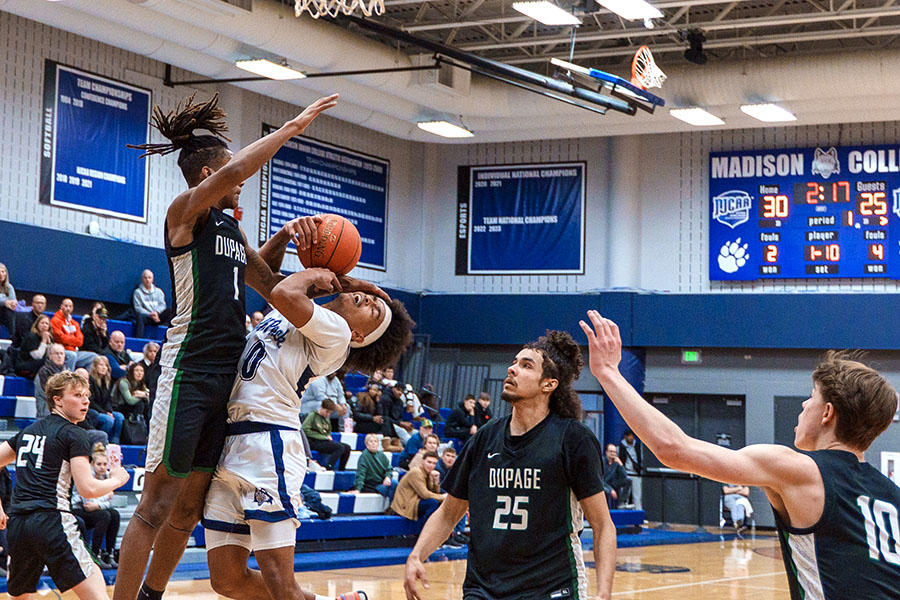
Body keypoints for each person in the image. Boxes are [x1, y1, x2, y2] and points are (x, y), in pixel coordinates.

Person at [117, 92, 340, 600]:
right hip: (189, 369)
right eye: (229, 174)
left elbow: (264, 280)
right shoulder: (184, 214)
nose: (238, 181)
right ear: (206, 178)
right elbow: (239, 166)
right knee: (156, 502)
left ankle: (153, 594)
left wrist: (285, 235)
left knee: (189, 506)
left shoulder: (230, 228)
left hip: (226, 377)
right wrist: (293, 126)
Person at [580, 310, 900, 599]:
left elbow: (673, 448)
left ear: (828, 412)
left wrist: (609, 373)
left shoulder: (799, 469)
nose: (804, 405)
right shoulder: (893, 496)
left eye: (811, 397)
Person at [200, 264, 413, 600]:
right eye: (372, 299)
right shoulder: (298, 312)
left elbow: (281, 290)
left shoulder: (338, 334)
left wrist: (327, 276)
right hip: (230, 443)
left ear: (359, 336)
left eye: (373, 311)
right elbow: (258, 275)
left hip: (266, 446)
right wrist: (284, 236)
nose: (368, 300)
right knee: (227, 580)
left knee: (281, 585)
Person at [404, 331, 616, 600]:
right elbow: (449, 513)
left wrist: (604, 592)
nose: (512, 369)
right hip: (484, 588)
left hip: (549, 587)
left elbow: (602, 524)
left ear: (548, 385)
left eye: (526, 365)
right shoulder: (485, 437)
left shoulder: (572, 438)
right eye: (514, 362)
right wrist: (416, 556)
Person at [0, 371, 130, 600]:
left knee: (20, 597)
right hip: (51, 520)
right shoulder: (75, 434)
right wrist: (117, 480)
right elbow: (87, 488)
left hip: (19, 524)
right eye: (78, 395)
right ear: (57, 399)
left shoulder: (26, 432)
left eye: (87, 395)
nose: (86, 400)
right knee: (96, 591)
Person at [71, 443, 123, 569]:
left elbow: (108, 502)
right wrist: (105, 496)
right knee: (104, 515)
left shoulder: (106, 476)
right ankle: (94, 554)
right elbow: (88, 501)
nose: (102, 467)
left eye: (105, 464)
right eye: (99, 464)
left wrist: (100, 504)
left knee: (114, 515)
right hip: (77, 509)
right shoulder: (87, 476)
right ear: (92, 465)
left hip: (94, 508)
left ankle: (108, 553)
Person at [391, 451, 445, 523]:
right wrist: (442, 497)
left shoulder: (428, 472)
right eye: (429, 462)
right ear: (422, 461)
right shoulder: (416, 472)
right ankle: (425, 530)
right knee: (432, 503)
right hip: (406, 504)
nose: (431, 465)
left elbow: (434, 492)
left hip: (416, 501)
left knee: (441, 502)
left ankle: (453, 530)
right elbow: (425, 495)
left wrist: (436, 481)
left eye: (434, 463)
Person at [302, 399, 351, 471]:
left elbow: (328, 431)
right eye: (327, 412)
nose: (328, 414)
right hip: (314, 441)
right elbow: (305, 429)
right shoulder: (313, 416)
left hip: (325, 440)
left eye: (329, 413)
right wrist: (322, 437)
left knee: (347, 447)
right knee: (339, 448)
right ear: (322, 407)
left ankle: (341, 470)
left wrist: (327, 436)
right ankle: (329, 468)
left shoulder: (326, 419)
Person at [51, 298, 97, 370]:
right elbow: (60, 338)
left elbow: (80, 341)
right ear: (61, 306)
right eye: (66, 306)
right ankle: (68, 379)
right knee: (72, 355)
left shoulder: (74, 323)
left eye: (70, 306)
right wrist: (74, 341)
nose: (68, 308)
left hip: (75, 351)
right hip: (62, 352)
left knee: (93, 356)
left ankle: (87, 379)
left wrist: (69, 341)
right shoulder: (55, 320)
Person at [89, 355, 124, 444]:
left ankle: (115, 443)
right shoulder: (90, 380)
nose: (104, 368)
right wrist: (105, 413)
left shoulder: (107, 381)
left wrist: (109, 411)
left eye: (106, 365)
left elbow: (108, 400)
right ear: (95, 367)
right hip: (93, 410)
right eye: (101, 365)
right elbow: (91, 402)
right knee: (108, 420)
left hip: (103, 410)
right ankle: (101, 441)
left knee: (119, 417)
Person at [352, 433, 397, 501]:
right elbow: (361, 474)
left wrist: (387, 477)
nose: (373, 443)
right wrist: (358, 489)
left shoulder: (381, 455)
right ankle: (393, 508)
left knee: (396, 483)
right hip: (372, 485)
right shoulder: (364, 456)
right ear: (366, 444)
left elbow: (389, 468)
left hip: (383, 481)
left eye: (375, 441)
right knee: (392, 489)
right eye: (371, 441)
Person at [132, 269, 170, 338]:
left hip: (158, 316)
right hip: (147, 317)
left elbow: (162, 305)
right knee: (140, 316)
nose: (147, 280)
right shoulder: (137, 292)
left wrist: (156, 312)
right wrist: (150, 314)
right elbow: (138, 308)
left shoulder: (159, 291)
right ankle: (139, 339)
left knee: (169, 311)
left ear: (152, 279)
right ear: (142, 279)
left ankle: (170, 337)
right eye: (145, 278)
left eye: (149, 277)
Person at [34, 343, 67, 419]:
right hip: (47, 410)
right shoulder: (43, 372)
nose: (59, 356)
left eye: (61, 353)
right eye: (56, 353)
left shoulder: (67, 371)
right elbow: (48, 393)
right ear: (50, 356)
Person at [601, 443, 632, 509]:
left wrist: (621, 465)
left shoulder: (616, 463)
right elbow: (600, 479)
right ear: (606, 452)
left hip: (613, 483)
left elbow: (624, 477)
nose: (613, 454)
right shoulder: (602, 462)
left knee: (628, 481)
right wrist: (611, 490)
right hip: (603, 483)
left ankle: (622, 502)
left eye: (614, 452)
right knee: (607, 491)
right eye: (611, 451)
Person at [619, 429, 642, 510]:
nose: (631, 438)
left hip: (636, 473)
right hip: (625, 473)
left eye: (632, 436)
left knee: (637, 496)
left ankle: (638, 513)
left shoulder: (637, 446)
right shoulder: (621, 446)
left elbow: (640, 459)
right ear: (625, 437)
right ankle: (622, 513)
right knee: (624, 496)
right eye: (629, 436)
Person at [0, 262, 17, 341]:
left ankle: (13, 337)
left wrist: (13, 304)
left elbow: (13, 299)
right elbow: (6, 301)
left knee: (11, 313)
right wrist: (5, 302)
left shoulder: (9, 287)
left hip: (5, 313)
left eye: (3, 271)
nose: (1, 274)